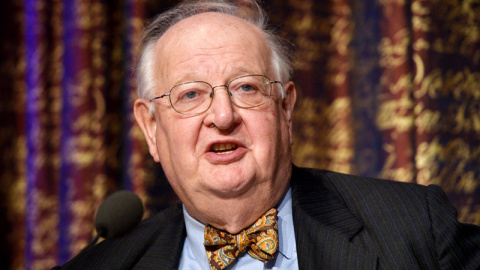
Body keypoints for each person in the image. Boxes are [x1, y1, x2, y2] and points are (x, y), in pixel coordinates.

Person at [58, 0, 480, 269]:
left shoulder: (414, 229)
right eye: (190, 95)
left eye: (246, 88)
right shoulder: (104, 264)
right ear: (151, 128)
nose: (222, 116)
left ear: (286, 109)